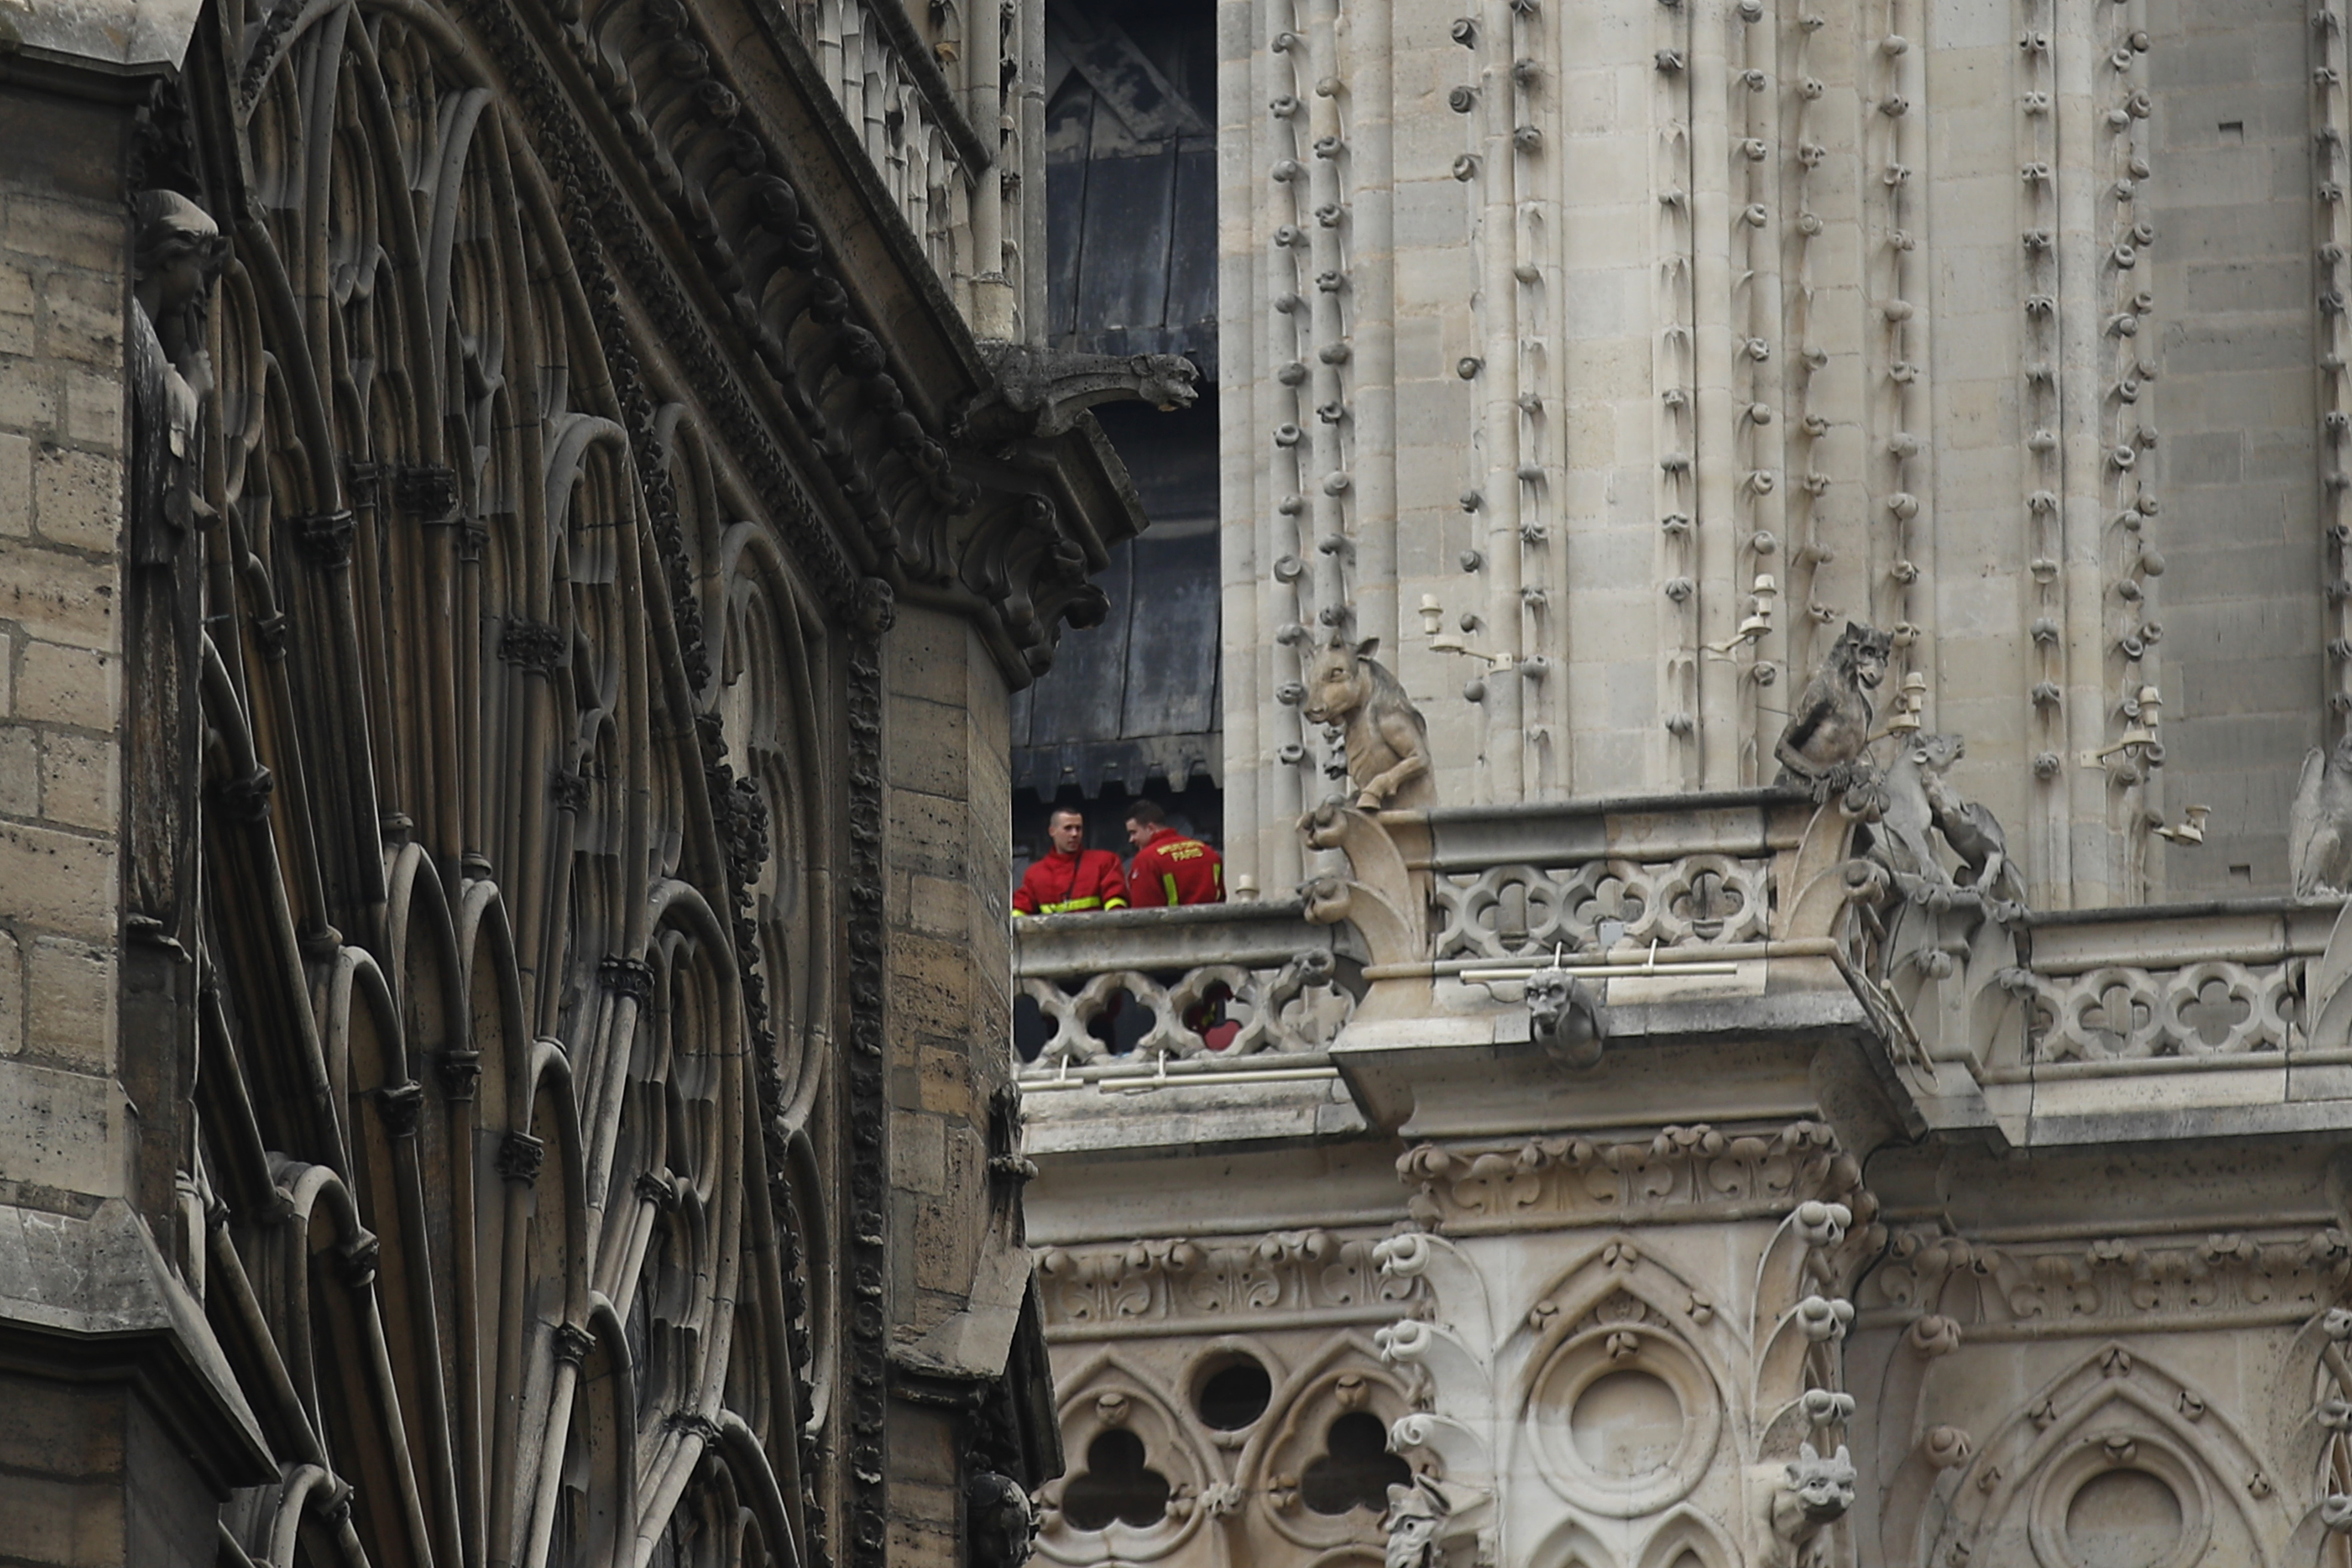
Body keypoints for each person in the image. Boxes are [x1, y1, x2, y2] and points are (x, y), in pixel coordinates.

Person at [1013, 807, 1130, 915]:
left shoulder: (1104, 862)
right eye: (1068, 828)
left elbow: (1116, 904)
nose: (1075, 834)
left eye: (1078, 829)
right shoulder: (1035, 874)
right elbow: (1020, 909)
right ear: (1052, 831)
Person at [1124, 800, 1224, 908]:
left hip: (1173, 924)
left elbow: (1144, 912)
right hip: (1212, 923)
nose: (1131, 840)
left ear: (1151, 828)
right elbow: (1221, 898)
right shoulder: (1207, 851)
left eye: (1134, 833)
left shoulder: (1146, 860)